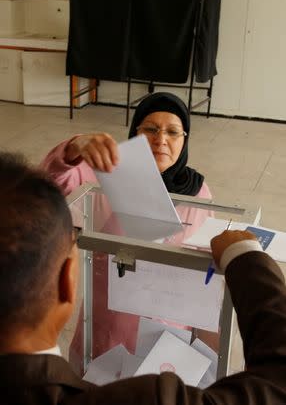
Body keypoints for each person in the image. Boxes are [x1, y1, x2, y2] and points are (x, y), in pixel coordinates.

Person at [1, 151, 286, 405]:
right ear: (68, 282)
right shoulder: (144, 397)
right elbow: (276, 383)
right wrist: (245, 256)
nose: (160, 141)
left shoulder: (199, 193)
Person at [41, 92, 214, 368]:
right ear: (135, 132)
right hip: (107, 321)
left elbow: (206, 276)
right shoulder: (106, 174)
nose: (161, 140)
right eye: (151, 129)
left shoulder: (197, 192)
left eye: (173, 131)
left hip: (167, 329)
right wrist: (73, 149)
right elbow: (49, 186)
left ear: (185, 139)